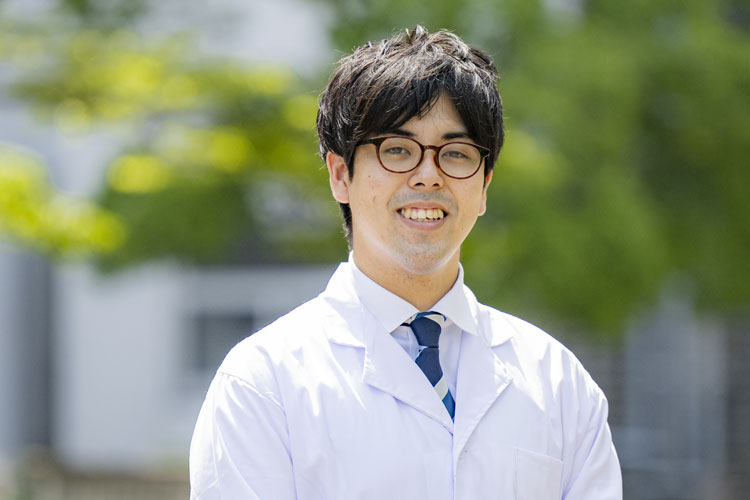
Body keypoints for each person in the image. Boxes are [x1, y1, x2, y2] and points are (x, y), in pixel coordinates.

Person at [189, 26, 622, 500]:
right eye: (397, 149)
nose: (428, 176)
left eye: (456, 153)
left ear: (484, 186)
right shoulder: (262, 383)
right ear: (341, 174)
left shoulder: (558, 384)